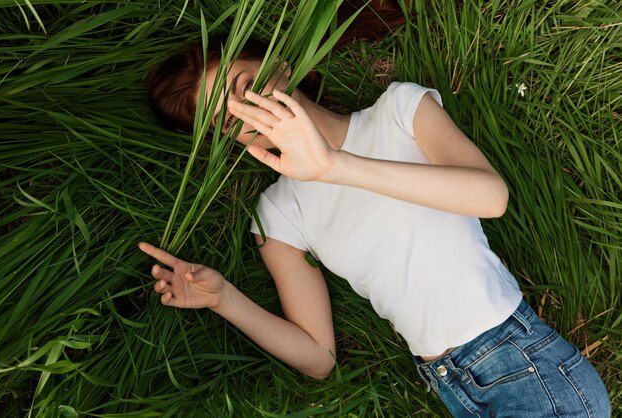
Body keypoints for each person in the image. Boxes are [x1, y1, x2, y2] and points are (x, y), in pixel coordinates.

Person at [140, 7, 611, 418]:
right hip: (452, 388)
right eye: (229, 120)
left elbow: (491, 198)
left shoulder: (399, 111)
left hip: (523, 363)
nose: (252, 114)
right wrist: (224, 298)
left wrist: (333, 167)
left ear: (280, 66)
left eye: (246, 88)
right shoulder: (279, 214)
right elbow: (319, 357)